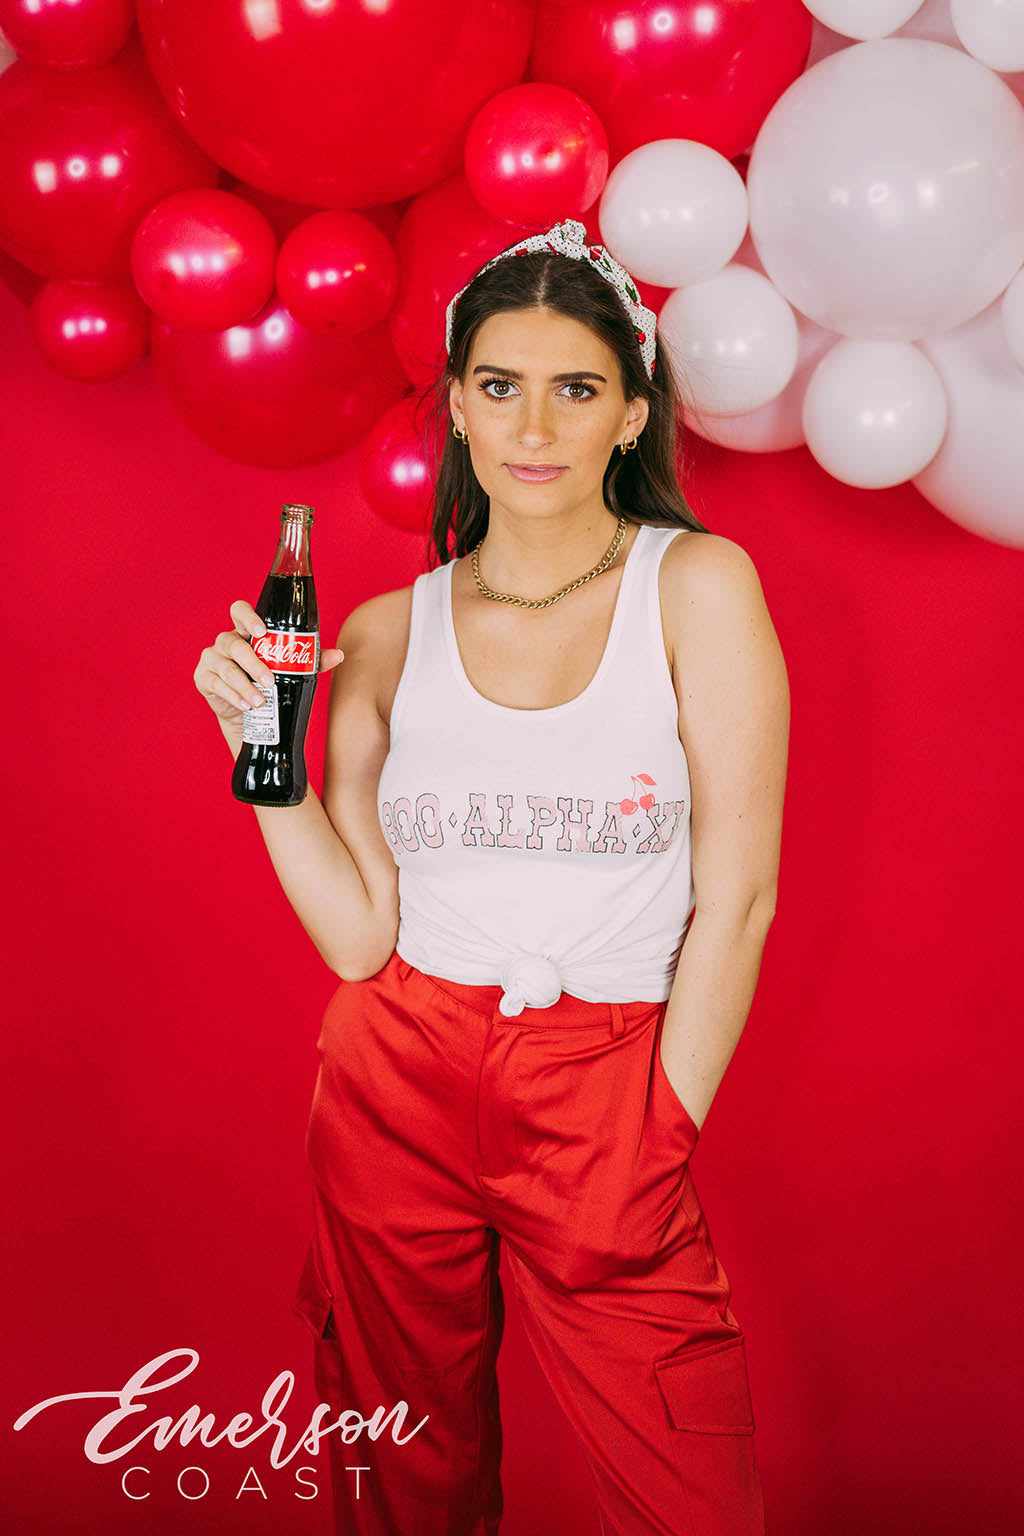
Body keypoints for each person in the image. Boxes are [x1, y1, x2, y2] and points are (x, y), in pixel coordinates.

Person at [193, 217, 789, 1536]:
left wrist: (662, 1124)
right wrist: (264, 762)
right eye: (500, 386)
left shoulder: (697, 589)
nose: (536, 426)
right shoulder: (381, 634)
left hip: (607, 1077)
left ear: (633, 412)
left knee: (687, 1486)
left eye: (576, 388)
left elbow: (739, 897)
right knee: (406, 1473)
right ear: (458, 407)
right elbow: (357, 938)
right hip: (394, 1074)